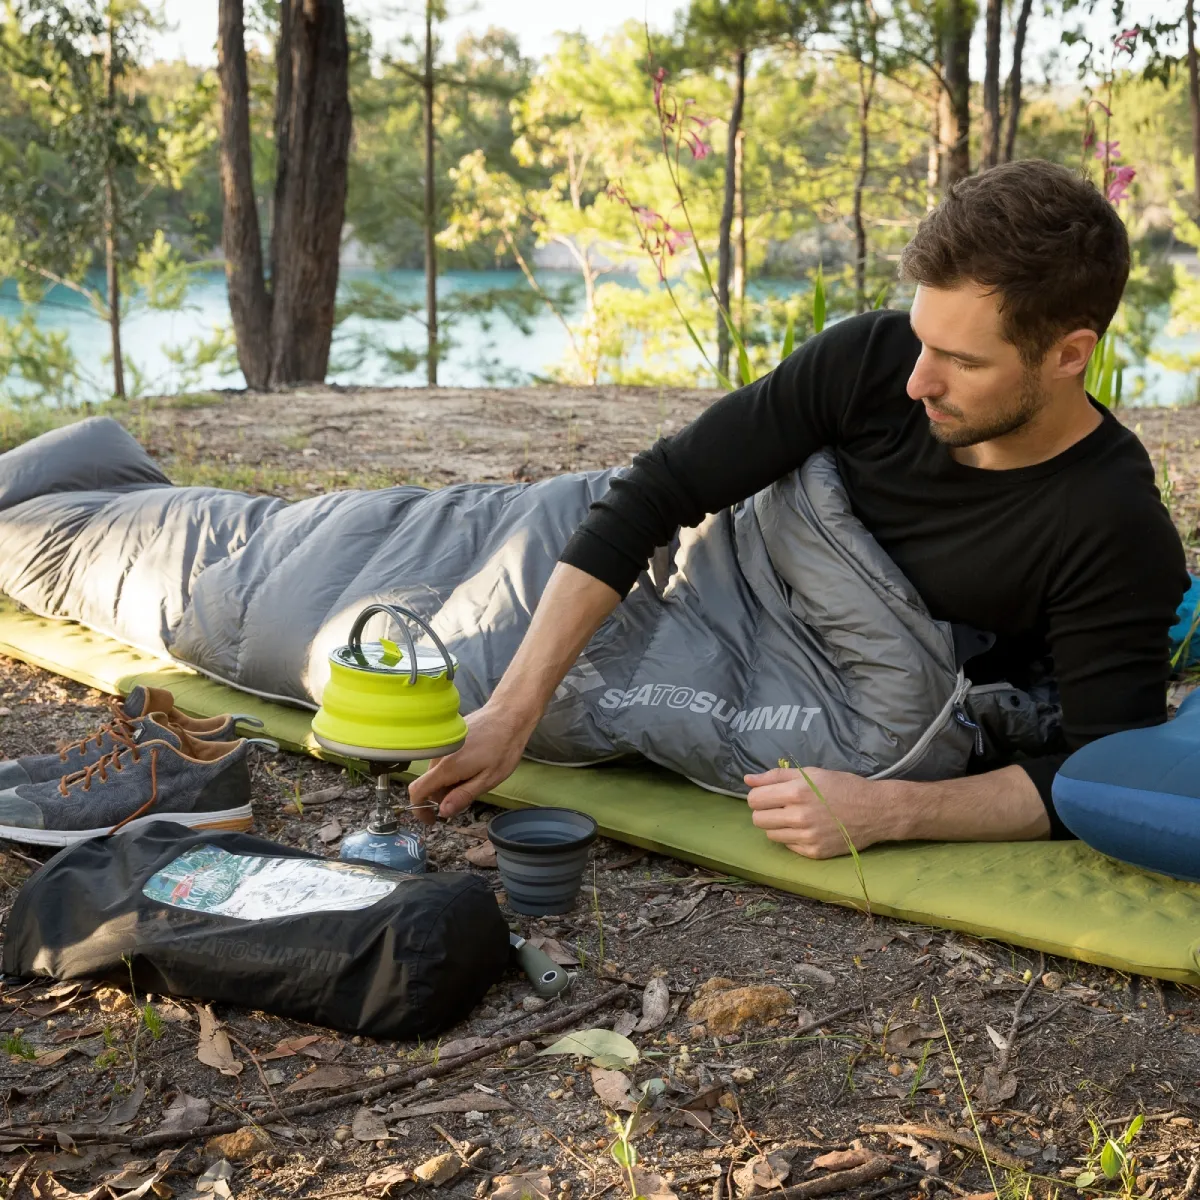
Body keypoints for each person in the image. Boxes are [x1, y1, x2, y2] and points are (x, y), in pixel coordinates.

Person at [408, 159, 1189, 858]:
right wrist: (513, 708)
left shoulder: (1111, 527)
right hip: (688, 574)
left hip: (830, 688)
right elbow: (657, 490)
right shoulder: (871, 362)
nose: (918, 381)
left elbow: (1093, 778)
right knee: (399, 607)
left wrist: (891, 811)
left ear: (1067, 355)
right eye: (923, 339)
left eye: (960, 360)